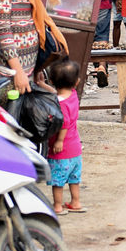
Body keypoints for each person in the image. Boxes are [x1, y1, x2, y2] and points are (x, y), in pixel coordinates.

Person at [46, 59, 86, 215]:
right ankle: (76, 202)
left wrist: (59, 141)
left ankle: (57, 206)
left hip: (62, 149)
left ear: (52, 81)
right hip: (75, 148)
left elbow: (64, 123)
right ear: (76, 82)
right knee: (74, 178)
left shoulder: (58, 103)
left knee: (58, 180)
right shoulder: (73, 95)